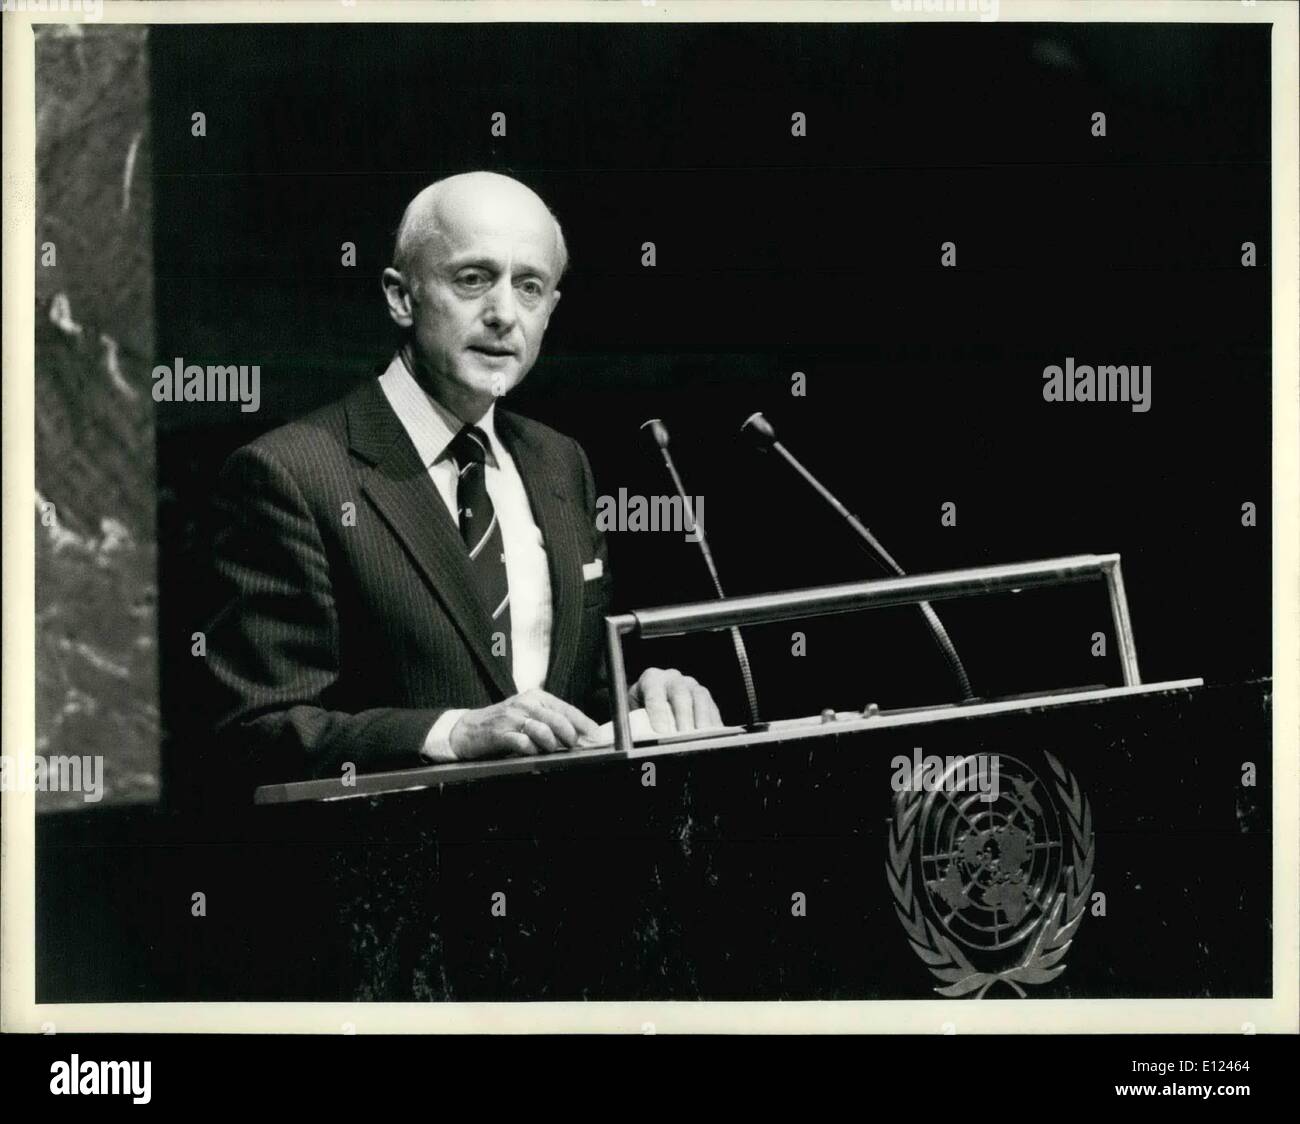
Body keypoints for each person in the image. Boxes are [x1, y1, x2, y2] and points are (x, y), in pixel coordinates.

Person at [203, 171, 721, 785]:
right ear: (401, 297)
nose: (504, 314)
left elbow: (567, 700)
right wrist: (451, 734)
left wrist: (639, 703)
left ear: (551, 311)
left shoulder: (562, 463)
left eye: (530, 287)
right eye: (473, 279)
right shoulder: (290, 475)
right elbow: (254, 731)